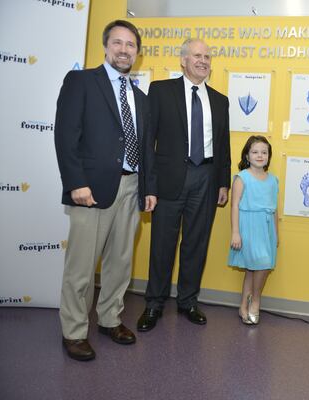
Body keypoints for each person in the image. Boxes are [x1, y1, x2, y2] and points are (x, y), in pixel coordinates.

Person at [54, 20, 155, 361]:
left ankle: (110, 319)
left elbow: (145, 149)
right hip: (91, 189)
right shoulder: (81, 81)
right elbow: (65, 136)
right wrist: (76, 183)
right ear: (106, 46)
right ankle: (74, 331)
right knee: (81, 267)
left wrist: (148, 188)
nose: (124, 50)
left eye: (130, 45)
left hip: (131, 188)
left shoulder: (140, 98)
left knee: (120, 263)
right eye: (118, 43)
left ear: (137, 53)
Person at [137, 38, 231, 331]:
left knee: (196, 244)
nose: (203, 61)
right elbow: (147, 141)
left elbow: (224, 145)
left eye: (207, 57)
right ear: (183, 60)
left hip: (206, 177)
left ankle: (188, 301)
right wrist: (148, 185)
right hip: (168, 180)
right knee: (162, 244)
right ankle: (153, 304)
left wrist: (223, 183)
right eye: (197, 56)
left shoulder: (220, 100)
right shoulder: (161, 91)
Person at [228, 136, 279, 325]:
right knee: (261, 264)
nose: (260, 155)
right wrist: (235, 232)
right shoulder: (242, 177)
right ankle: (256, 300)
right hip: (248, 226)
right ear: (247, 156)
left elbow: (274, 209)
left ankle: (243, 305)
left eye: (264, 152)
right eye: (255, 152)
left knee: (253, 269)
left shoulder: (273, 180)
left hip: (267, 229)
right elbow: (234, 206)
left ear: (268, 156)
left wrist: (276, 233)